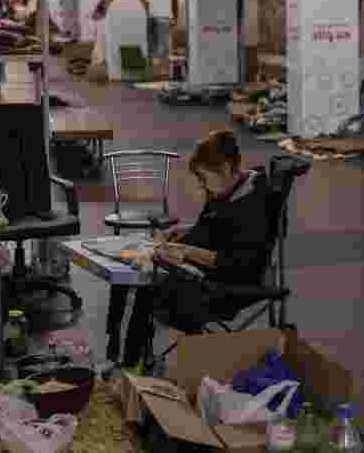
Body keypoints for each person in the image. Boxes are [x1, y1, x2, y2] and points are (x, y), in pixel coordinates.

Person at [105, 130, 270, 371]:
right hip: (197, 267)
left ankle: (129, 364)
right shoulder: (229, 190)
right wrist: (187, 230)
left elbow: (235, 262)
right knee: (130, 269)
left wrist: (186, 251)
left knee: (144, 283)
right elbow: (221, 229)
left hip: (223, 286)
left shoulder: (253, 204)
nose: (202, 185)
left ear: (225, 168)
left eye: (204, 178)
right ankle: (124, 357)